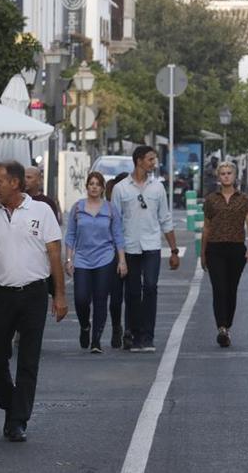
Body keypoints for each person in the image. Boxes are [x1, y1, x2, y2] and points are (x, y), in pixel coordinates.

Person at [0, 161, 67, 442]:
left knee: (28, 359)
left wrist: (60, 295)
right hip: (2, 294)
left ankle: (18, 421)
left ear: (15, 183)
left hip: (34, 294)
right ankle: (10, 401)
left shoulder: (41, 211)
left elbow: (54, 254)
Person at [112, 146, 179, 353]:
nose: (154, 163)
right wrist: (118, 254)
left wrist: (174, 250)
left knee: (150, 288)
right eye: (150, 159)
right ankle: (133, 333)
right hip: (130, 247)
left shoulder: (157, 188)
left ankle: (148, 336)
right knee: (132, 292)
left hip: (151, 246)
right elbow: (115, 223)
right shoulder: (121, 189)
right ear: (139, 161)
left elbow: (165, 219)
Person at [65, 172, 126, 353]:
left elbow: (118, 236)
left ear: (102, 188)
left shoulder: (110, 209)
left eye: (97, 184)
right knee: (81, 298)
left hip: (105, 258)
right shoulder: (77, 208)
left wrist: (121, 260)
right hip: (83, 259)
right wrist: (69, 259)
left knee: (100, 299)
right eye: (91, 184)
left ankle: (96, 340)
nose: (94, 187)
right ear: (87, 186)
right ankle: (85, 326)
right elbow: (70, 235)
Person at [200, 162, 248, 348]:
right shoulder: (211, 200)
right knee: (219, 288)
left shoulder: (244, 199)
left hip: (236, 248)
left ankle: (228, 325)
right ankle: (221, 327)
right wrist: (203, 253)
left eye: (229, 173)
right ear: (218, 176)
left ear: (235, 176)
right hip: (215, 248)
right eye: (222, 173)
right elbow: (206, 227)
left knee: (231, 289)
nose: (226, 176)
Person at [105, 172, 130, 348]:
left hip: (133, 251)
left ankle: (129, 330)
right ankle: (116, 327)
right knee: (115, 297)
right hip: (113, 253)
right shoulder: (108, 206)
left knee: (132, 294)